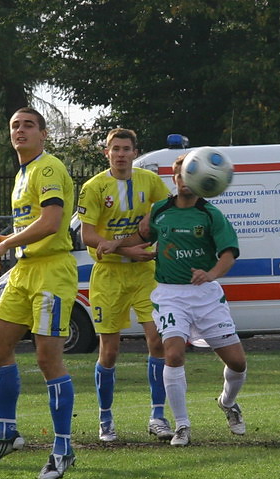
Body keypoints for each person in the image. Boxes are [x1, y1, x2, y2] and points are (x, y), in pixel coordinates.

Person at [98, 152, 248, 447]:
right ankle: (182, 425)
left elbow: (228, 253)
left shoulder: (210, 214)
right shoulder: (160, 210)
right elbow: (141, 235)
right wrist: (116, 244)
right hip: (170, 295)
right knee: (174, 354)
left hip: (205, 297)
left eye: (189, 175)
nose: (184, 180)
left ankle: (227, 402)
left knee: (238, 363)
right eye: (180, 175)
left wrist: (211, 273)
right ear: (175, 179)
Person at [0, 107, 78, 479]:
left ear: (43, 134)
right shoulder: (23, 174)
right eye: (15, 125)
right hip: (25, 270)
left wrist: (5, 246)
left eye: (28, 126)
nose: (20, 131)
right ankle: (7, 432)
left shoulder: (47, 167)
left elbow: (51, 222)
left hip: (52, 272)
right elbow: (34, 223)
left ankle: (63, 449)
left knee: (48, 358)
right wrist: (9, 239)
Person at [77, 128, 170, 443]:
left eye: (126, 148)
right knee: (110, 350)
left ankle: (158, 415)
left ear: (134, 152)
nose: (120, 154)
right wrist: (125, 248)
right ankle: (105, 419)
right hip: (109, 276)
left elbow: (166, 214)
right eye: (115, 148)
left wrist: (153, 221)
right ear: (106, 153)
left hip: (146, 274)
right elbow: (86, 235)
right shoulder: (94, 187)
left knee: (157, 340)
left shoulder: (150, 181)